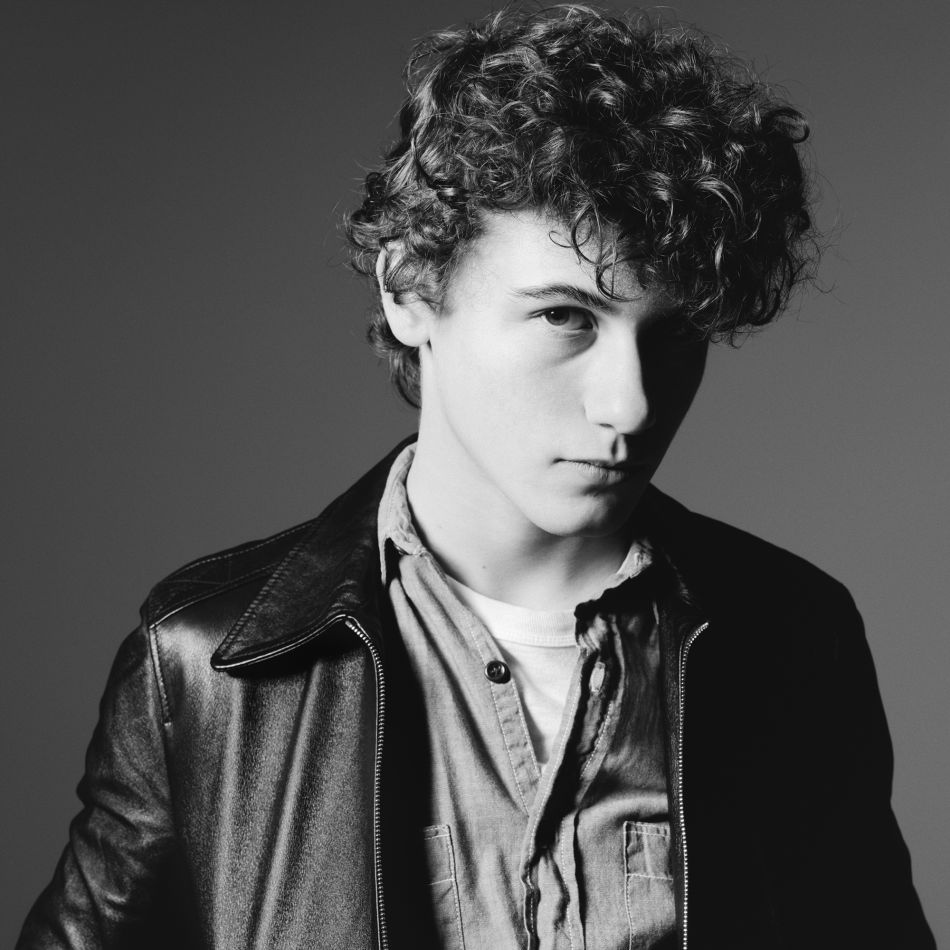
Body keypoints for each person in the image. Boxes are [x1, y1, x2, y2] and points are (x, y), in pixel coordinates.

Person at [17, 6, 934, 949]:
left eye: (674, 334)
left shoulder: (793, 639)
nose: (629, 405)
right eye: (565, 318)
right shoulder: (208, 667)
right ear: (410, 288)